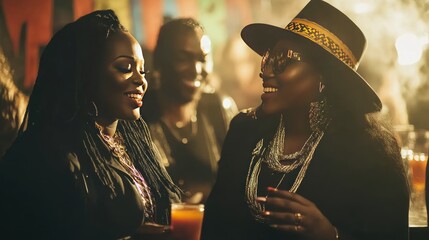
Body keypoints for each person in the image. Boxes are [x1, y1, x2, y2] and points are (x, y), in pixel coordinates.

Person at [202, 1, 409, 240]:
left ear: (324, 78)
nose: (266, 71)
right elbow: (214, 225)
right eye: (268, 57)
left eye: (283, 60)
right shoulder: (245, 131)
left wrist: (330, 235)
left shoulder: (370, 153)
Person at [0, 10, 181, 239]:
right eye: (125, 67)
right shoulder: (48, 152)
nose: (140, 80)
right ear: (86, 74)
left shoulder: (136, 143)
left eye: (142, 70)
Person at [141, 18, 237, 204]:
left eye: (202, 59)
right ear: (160, 60)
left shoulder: (220, 109)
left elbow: (240, 180)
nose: (195, 69)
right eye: (183, 58)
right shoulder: (140, 114)